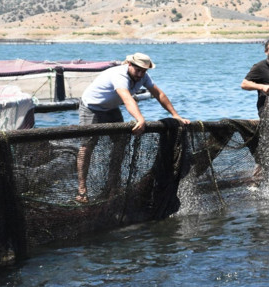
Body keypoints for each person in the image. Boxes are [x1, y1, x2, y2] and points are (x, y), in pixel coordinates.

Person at [76, 52, 190, 203]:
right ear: (129, 64)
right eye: (138, 70)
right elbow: (127, 99)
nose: (141, 74)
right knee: (87, 147)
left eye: (144, 71)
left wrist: (175, 115)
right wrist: (140, 119)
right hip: (91, 107)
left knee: (121, 143)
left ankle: (112, 186)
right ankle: (82, 190)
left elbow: (159, 94)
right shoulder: (119, 75)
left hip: (111, 109)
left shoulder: (143, 76)